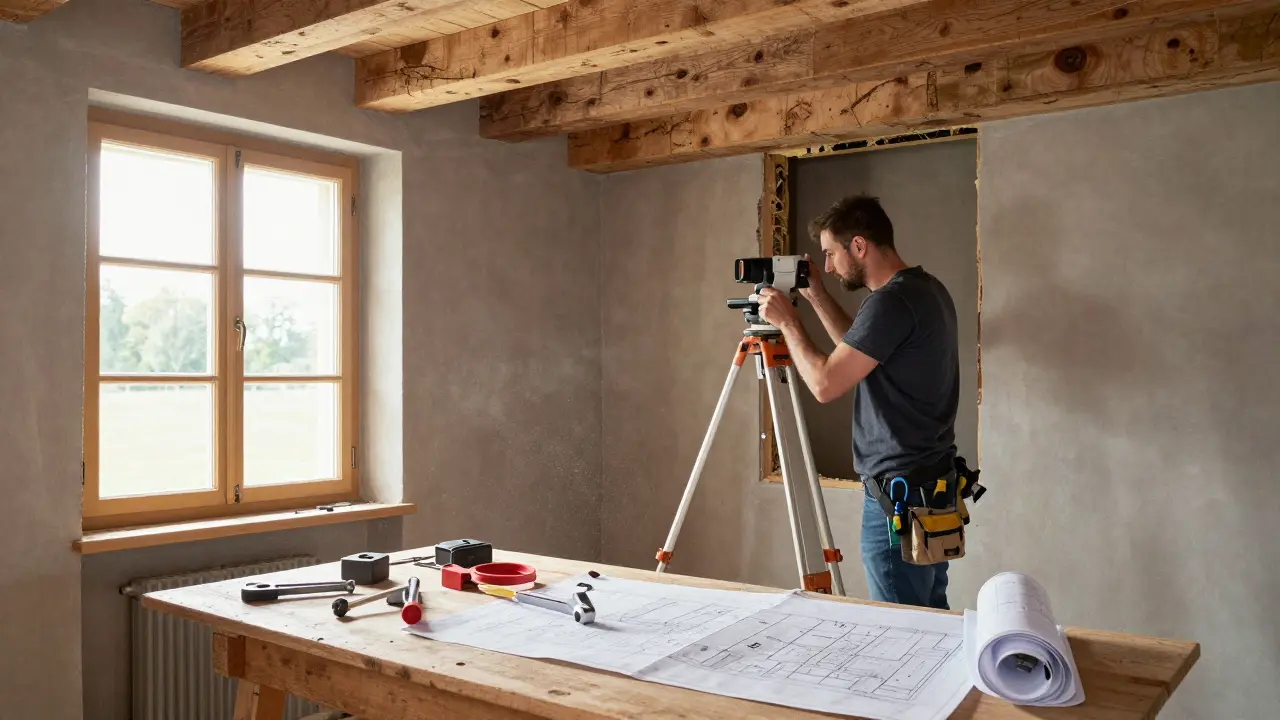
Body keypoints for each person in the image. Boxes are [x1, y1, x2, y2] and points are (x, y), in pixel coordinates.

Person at [756, 193, 959, 609]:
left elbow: (826, 384)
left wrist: (787, 323)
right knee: (930, 619)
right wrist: (814, 295)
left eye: (831, 253)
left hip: (897, 499)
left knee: (901, 630)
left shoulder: (890, 302)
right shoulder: (924, 290)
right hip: (932, 491)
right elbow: (860, 350)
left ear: (860, 246)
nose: (827, 266)